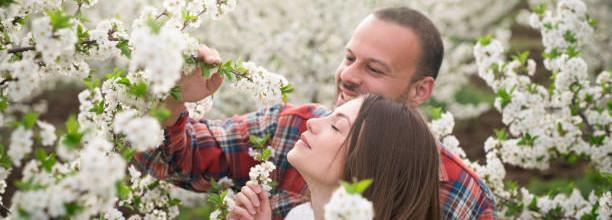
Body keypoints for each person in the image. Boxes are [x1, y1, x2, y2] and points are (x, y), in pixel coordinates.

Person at [133, 6, 495, 219]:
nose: (348, 76)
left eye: (374, 69)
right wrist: (175, 98)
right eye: (349, 58)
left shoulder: (460, 195)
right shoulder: (294, 130)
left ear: (421, 90)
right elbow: (175, 160)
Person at [229, 95, 441, 220]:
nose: (312, 122)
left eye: (335, 127)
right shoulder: (301, 215)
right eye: (328, 115)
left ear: (366, 165)